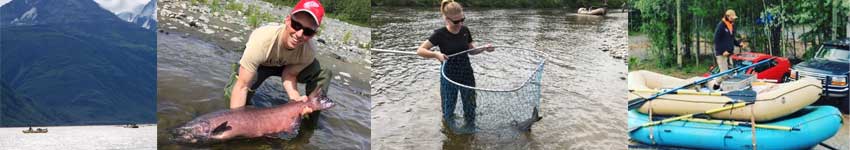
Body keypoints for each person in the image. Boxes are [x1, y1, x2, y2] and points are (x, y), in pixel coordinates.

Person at [224, 0, 331, 115]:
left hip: (286, 66)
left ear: (313, 35)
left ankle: (307, 122)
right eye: (296, 25)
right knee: (233, 100)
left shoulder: (309, 51)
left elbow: (289, 74)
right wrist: (237, 120)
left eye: (308, 31)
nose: (299, 34)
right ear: (287, 20)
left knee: (323, 71)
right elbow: (242, 86)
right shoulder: (262, 40)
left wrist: (295, 99)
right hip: (261, 65)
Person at [416, 0, 494, 131]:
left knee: (470, 104)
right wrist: (436, 55)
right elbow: (420, 50)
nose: (460, 23)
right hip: (449, 76)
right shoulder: (439, 34)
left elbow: (471, 51)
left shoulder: (465, 30)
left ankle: (470, 129)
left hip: (466, 74)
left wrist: (484, 48)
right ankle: (449, 131)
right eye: (456, 21)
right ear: (446, 19)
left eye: (462, 19)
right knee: (449, 107)